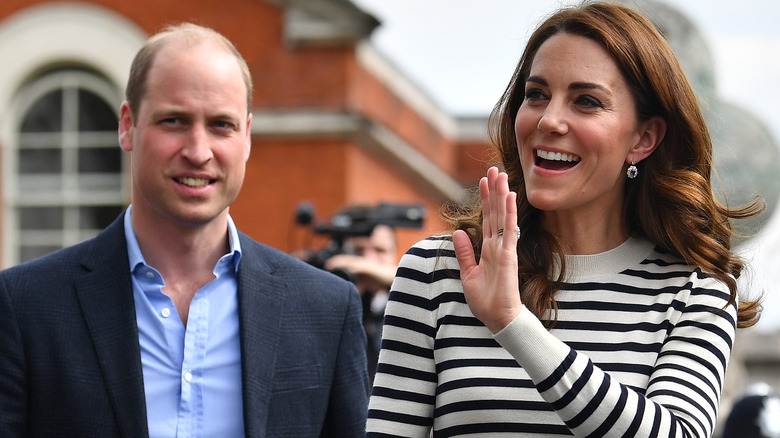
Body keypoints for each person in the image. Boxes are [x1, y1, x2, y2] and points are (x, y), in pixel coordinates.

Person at [366, 2, 763, 437]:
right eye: (536, 95)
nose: (549, 120)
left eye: (586, 101)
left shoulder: (695, 293)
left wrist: (515, 326)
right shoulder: (438, 271)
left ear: (644, 138)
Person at [0, 23, 369, 437]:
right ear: (128, 125)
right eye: (174, 121)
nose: (197, 151)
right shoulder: (24, 306)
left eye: (221, 125)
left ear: (247, 136)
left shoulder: (326, 309)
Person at [325, 224, 398, 378]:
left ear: (395, 254)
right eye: (359, 250)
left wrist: (363, 267)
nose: (368, 259)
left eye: (379, 250)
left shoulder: (403, 297)